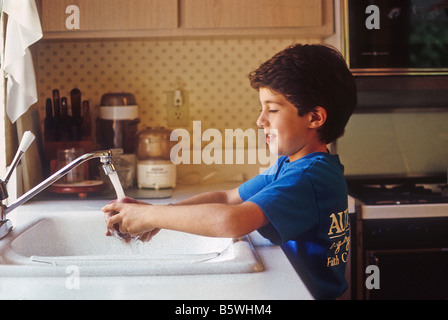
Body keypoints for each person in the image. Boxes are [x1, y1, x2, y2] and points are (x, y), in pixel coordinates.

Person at [102, 43, 357, 300]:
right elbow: (227, 198)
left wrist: (152, 216)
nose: (260, 120)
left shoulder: (307, 177)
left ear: (314, 117)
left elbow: (233, 220)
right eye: (262, 108)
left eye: (273, 109)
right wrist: (155, 214)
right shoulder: (295, 166)